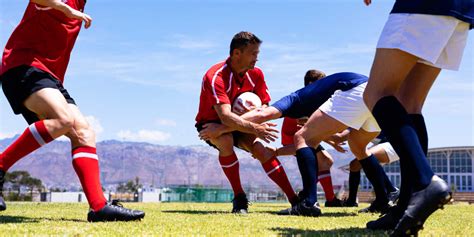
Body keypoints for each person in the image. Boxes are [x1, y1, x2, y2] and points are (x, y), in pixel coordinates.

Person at [0, 0, 144, 222]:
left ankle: (99, 207)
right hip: (23, 66)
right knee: (63, 119)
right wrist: (63, 8)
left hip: (50, 77)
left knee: (85, 133)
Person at [200, 72, 393, 216]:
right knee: (358, 146)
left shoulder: (294, 100)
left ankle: (308, 203)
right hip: (376, 94)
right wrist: (332, 138)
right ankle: (384, 199)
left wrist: (222, 129)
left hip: (357, 91)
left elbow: (261, 115)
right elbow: (339, 133)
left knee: (302, 138)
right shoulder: (320, 100)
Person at [362, 0, 473, 235]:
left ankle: (425, 183)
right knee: (409, 102)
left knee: (376, 93)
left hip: (424, 5)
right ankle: (406, 206)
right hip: (461, 11)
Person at [195, 31, 298, 214]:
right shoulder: (215, 77)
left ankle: (295, 201)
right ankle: (240, 198)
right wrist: (254, 127)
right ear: (236, 53)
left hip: (228, 125)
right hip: (210, 123)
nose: (256, 59)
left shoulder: (256, 74)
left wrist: (253, 122)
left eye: (257, 54)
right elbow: (225, 116)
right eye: (253, 54)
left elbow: (264, 106)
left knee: (260, 150)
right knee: (225, 141)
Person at [278, 70, 344, 208]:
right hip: (293, 138)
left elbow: (314, 128)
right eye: (322, 83)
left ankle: (309, 194)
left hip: (303, 136)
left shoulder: (312, 98)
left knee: (325, 162)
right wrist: (333, 139)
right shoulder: (305, 99)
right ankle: (327, 199)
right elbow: (310, 127)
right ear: (311, 83)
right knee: (325, 161)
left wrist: (333, 141)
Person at [344, 133, 400, 212]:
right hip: (386, 143)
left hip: (395, 143)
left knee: (358, 162)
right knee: (354, 165)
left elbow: (343, 135)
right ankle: (351, 201)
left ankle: (387, 195)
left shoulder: (350, 122)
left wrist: (325, 137)